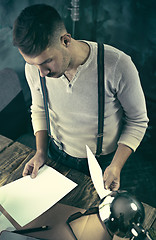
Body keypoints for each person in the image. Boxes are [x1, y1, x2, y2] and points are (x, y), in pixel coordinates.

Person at [13, 4, 148, 192]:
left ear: (66, 41)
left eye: (46, 62)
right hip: (55, 154)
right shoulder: (35, 70)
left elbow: (138, 121)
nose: (41, 73)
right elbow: (39, 109)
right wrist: (41, 152)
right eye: (33, 64)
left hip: (105, 163)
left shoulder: (118, 65)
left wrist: (116, 166)